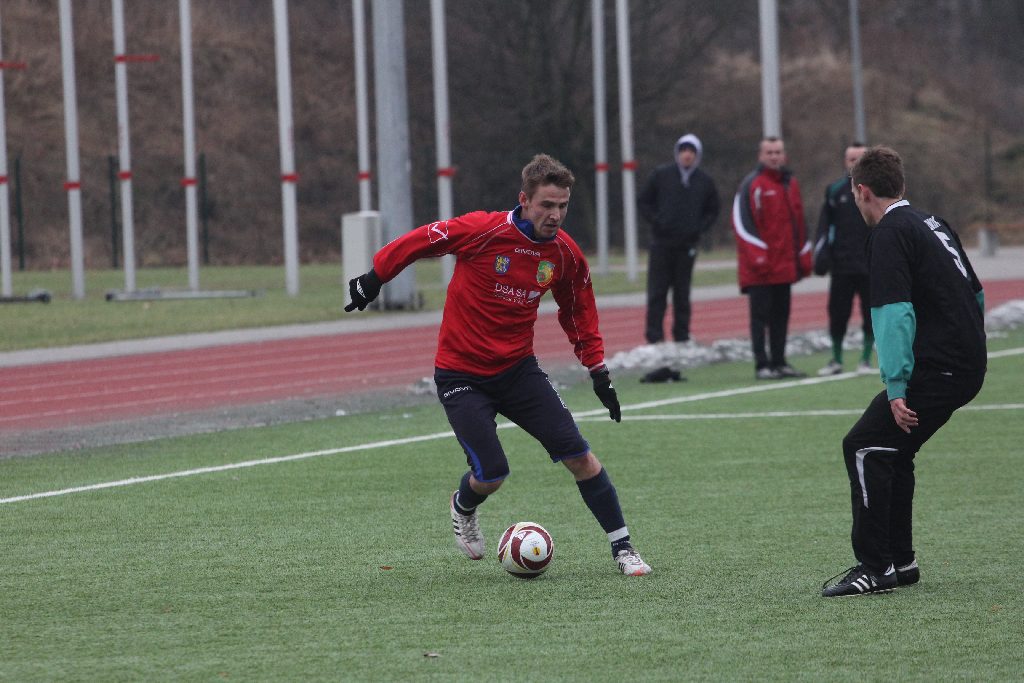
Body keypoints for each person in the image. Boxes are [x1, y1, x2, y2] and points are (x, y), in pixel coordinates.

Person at [344, 154, 652, 576]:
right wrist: (376, 276)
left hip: (518, 372)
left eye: (562, 205)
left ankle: (624, 549)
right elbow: (423, 240)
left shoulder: (564, 255)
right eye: (546, 204)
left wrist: (597, 369)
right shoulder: (484, 230)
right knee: (491, 474)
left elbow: (578, 311)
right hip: (461, 374)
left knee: (580, 456)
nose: (555, 214)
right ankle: (463, 505)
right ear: (524, 200)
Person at [821, 146, 986, 597]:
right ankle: (901, 561)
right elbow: (977, 294)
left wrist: (896, 385)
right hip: (966, 362)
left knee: (864, 445)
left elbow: (894, 314)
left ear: (862, 191)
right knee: (894, 450)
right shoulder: (931, 222)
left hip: (940, 367)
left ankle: (874, 567)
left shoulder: (890, 233)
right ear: (903, 187)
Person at [732, 136, 812, 379]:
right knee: (760, 318)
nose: (774, 156)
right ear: (761, 155)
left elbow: (798, 222)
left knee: (781, 316)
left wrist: (803, 252)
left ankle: (779, 361)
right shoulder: (752, 184)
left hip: (784, 266)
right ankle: (762, 364)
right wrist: (759, 256)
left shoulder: (790, 183)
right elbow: (741, 222)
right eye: (770, 152)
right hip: (761, 269)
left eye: (778, 152)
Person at [637, 133, 720, 344]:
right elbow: (644, 201)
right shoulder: (661, 175)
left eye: (691, 152)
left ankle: (681, 335)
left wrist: (699, 228)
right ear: (677, 152)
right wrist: (657, 221)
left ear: (697, 155)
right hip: (662, 243)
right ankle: (654, 337)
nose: (687, 155)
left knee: (682, 294)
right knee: (657, 292)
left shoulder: (704, 181)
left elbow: (713, 209)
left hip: (687, 245)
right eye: (683, 150)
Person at [813, 143, 875, 376]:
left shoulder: (877, 192)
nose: (855, 163)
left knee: (872, 313)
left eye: (860, 158)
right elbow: (824, 227)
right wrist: (822, 257)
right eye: (851, 159)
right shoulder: (835, 191)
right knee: (838, 312)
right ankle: (836, 359)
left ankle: (865, 360)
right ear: (845, 161)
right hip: (842, 265)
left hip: (870, 264)